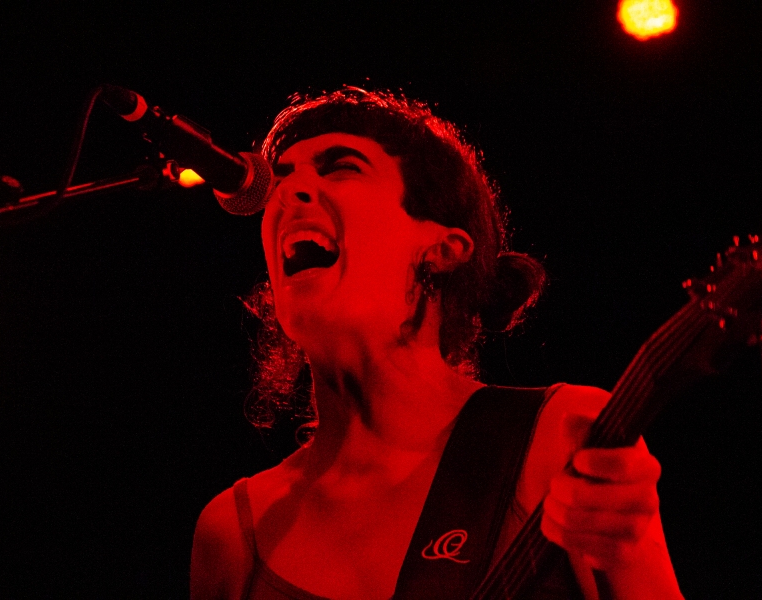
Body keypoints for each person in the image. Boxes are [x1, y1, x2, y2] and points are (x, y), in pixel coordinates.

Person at [190, 88, 683, 599]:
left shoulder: (558, 435)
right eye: (281, 178)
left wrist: (626, 556)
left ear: (444, 249)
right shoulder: (234, 533)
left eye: (341, 168)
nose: (288, 192)